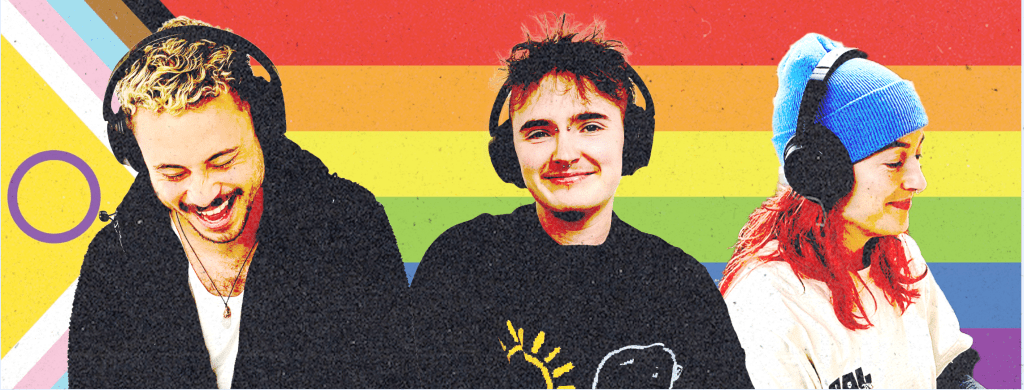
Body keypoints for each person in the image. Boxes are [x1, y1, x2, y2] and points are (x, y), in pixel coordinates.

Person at [406, 14, 753, 389]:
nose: (564, 153)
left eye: (590, 126)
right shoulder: (462, 262)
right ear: (510, 153)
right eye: (539, 132)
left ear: (630, 139)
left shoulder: (681, 284)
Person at [68, 17, 407, 388]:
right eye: (173, 173)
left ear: (262, 125)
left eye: (223, 160)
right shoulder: (113, 264)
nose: (203, 193)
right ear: (137, 158)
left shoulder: (350, 229)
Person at [719, 34, 981, 389]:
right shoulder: (765, 304)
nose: (918, 181)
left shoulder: (902, 254)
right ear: (821, 170)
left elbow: (951, 375)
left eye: (917, 156)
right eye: (894, 162)